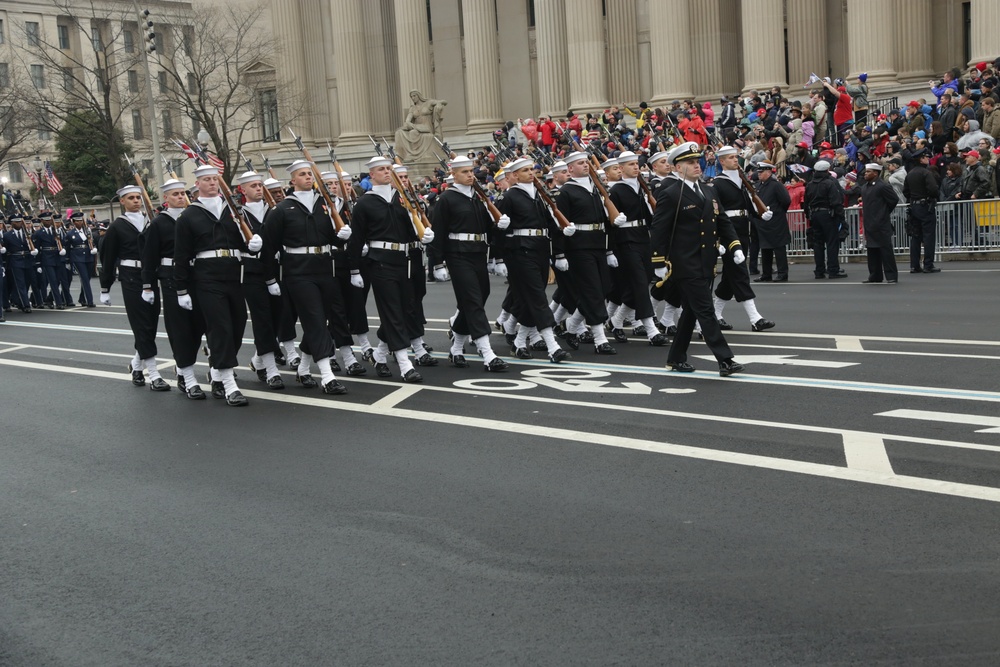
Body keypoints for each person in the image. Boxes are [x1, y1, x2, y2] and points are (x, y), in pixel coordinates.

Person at [650, 141, 744, 377]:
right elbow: (659, 229)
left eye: (697, 161)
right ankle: (725, 359)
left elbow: (722, 220)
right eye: (690, 162)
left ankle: (675, 358)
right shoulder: (670, 193)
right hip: (684, 262)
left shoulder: (708, 190)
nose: (696, 166)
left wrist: (734, 245)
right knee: (705, 310)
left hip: (707, 261)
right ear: (677, 167)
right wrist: (658, 261)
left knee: (691, 312)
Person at [261, 160, 352, 395]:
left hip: (324, 268)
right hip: (298, 271)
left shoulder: (324, 204)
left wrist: (342, 237)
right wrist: (270, 279)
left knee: (323, 319)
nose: (308, 177)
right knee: (315, 320)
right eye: (302, 174)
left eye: (310, 174)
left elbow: (330, 238)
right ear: (293, 180)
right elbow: (269, 248)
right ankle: (328, 377)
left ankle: (303, 368)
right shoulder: (282, 209)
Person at [174, 164, 258, 406]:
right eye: (207, 180)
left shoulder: (232, 210)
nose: (212, 183)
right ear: (197, 184)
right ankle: (230, 385)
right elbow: (181, 256)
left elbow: (245, 240)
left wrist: (253, 245)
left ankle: (218, 373)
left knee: (238, 325)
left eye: (215, 179)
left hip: (233, 275)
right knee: (220, 328)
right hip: (207, 277)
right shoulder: (189, 216)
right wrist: (181, 289)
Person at [347, 156, 432, 382]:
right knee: (393, 311)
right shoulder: (365, 203)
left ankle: (379, 355)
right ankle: (405, 365)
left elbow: (412, 228)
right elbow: (356, 239)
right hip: (380, 262)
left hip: (404, 260)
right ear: (372, 175)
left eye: (388, 168)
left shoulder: (402, 198)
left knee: (403, 310)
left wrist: (423, 234)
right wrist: (354, 269)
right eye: (381, 169)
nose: (387, 172)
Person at [429, 155, 508, 371]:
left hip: (478, 252)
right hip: (457, 254)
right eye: (464, 172)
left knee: (477, 298)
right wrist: (437, 263)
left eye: (471, 171)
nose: (470, 175)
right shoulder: (447, 199)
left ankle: (456, 347)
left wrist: (499, 226)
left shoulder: (478, 197)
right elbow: (438, 232)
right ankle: (487, 353)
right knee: (473, 300)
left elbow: (487, 229)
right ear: (453, 175)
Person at [495, 156, 571, 363]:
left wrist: (561, 237)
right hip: (520, 251)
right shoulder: (509, 197)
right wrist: (498, 258)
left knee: (531, 298)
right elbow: (498, 229)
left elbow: (549, 224)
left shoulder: (538, 195)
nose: (531, 173)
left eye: (531, 169)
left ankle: (519, 343)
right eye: (525, 170)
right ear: (514, 175)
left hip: (540, 249)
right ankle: (552, 346)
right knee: (537, 298)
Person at [139, 178, 207, 399]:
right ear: (166, 198)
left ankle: (182, 367)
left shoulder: (194, 217)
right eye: (175, 194)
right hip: (170, 278)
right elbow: (149, 257)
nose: (180, 197)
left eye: (182, 193)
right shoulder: (159, 223)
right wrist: (148, 286)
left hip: (195, 276)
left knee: (198, 327)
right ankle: (188, 377)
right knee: (180, 329)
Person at [100, 184, 169, 390]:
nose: (136, 201)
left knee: (151, 324)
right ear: (122, 201)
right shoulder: (117, 226)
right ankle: (154, 374)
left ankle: (137, 366)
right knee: (141, 325)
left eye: (138, 197)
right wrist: (105, 287)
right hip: (131, 277)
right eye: (131, 198)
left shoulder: (151, 222)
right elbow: (108, 257)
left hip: (151, 276)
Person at [553, 151, 620, 354]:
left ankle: (571, 326)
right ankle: (600, 339)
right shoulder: (566, 191)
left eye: (586, 162)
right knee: (592, 291)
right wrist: (560, 254)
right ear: (570, 168)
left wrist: (609, 249)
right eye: (581, 163)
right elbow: (559, 225)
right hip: (578, 246)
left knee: (605, 288)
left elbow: (604, 221)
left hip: (598, 244)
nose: (585, 165)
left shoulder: (595, 188)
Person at [710, 146, 775, 331]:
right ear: (722, 161)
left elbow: (747, 204)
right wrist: (717, 238)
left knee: (730, 277)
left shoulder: (741, 180)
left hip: (743, 231)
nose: (735, 160)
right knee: (739, 273)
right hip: (728, 233)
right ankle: (755, 319)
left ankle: (715, 315)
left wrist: (760, 214)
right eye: (731, 157)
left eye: (736, 157)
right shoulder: (718, 184)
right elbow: (716, 213)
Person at [607, 151, 668, 345]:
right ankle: (651, 330)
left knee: (642, 283)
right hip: (626, 240)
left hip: (643, 238)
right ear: (621, 168)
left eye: (636, 164)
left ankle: (616, 321)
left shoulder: (642, 188)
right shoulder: (616, 190)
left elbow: (651, 218)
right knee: (640, 284)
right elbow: (610, 222)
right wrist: (610, 249)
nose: (636, 167)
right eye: (631, 164)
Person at [235, 170, 289, 390]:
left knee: (278, 318)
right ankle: (271, 370)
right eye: (253, 186)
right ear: (243, 190)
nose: (258, 189)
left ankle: (258, 361)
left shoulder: (274, 211)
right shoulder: (238, 214)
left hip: (276, 268)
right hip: (253, 272)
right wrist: (246, 245)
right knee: (262, 320)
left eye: (260, 185)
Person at [853, 163, 900, 284]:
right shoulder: (865, 187)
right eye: (866, 171)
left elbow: (894, 200)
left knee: (885, 250)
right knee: (872, 250)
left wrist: (884, 212)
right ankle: (875, 275)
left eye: (868, 171)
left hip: (881, 223)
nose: (865, 173)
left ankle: (891, 276)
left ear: (875, 173)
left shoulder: (882, 186)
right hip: (869, 223)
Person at [803, 160, 847, 279]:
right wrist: (841, 217)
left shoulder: (810, 184)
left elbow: (806, 203)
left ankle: (819, 271)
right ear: (827, 170)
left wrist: (809, 216)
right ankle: (833, 270)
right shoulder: (829, 183)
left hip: (815, 215)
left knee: (818, 244)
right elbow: (836, 201)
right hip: (828, 215)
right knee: (832, 243)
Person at [903, 148, 941, 273]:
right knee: (928, 236)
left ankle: (915, 265)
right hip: (925, 206)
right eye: (926, 157)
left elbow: (905, 191)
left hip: (914, 206)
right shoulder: (926, 173)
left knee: (916, 236)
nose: (928, 159)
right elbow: (933, 190)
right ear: (921, 159)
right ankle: (928, 264)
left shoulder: (910, 173)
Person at [753, 162, 792, 282]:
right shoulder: (759, 186)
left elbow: (786, 201)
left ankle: (782, 273)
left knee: (779, 248)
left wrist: (777, 212)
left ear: (769, 172)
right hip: (763, 222)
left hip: (776, 222)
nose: (759, 174)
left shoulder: (776, 185)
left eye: (761, 172)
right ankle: (766, 274)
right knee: (765, 249)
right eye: (758, 172)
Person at [393, 89, 447, 162]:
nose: (413, 98)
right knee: (399, 132)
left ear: (418, 96)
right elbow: (408, 119)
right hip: (417, 127)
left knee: (413, 133)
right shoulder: (413, 108)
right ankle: (404, 155)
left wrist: (438, 105)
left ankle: (413, 155)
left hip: (427, 127)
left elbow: (444, 102)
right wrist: (408, 123)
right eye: (411, 97)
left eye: (414, 96)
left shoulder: (428, 102)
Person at [32, 211, 67, 309]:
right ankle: (58, 302)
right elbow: (37, 249)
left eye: (49, 220)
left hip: (57, 257)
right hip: (47, 259)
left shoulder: (56, 231)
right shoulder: (38, 233)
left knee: (59, 279)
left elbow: (63, 243)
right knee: (53, 281)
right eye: (46, 220)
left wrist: (63, 249)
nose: (48, 222)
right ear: (42, 221)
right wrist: (38, 263)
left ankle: (49, 299)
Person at [2, 214, 36, 313]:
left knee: (27, 282)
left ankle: (19, 301)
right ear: (12, 223)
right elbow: (6, 251)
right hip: (15, 261)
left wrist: (34, 250)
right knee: (20, 284)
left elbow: (32, 245)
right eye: (16, 222)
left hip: (27, 260)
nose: (19, 223)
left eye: (20, 221)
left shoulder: (27, 234)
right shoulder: (7, 235)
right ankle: (26, 305)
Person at [65, 211, 98, 307]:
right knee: (84, 278)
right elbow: (67, 248)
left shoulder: (87, 231)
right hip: (77, 257)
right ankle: (90, 301)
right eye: (77, 221)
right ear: (73, 222)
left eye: (81, 221)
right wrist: (67, 260)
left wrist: (94, 248)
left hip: (88, 256)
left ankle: (82, 298)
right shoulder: (70, 234)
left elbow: (92, 242)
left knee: (87, 278)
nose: (79, 222)